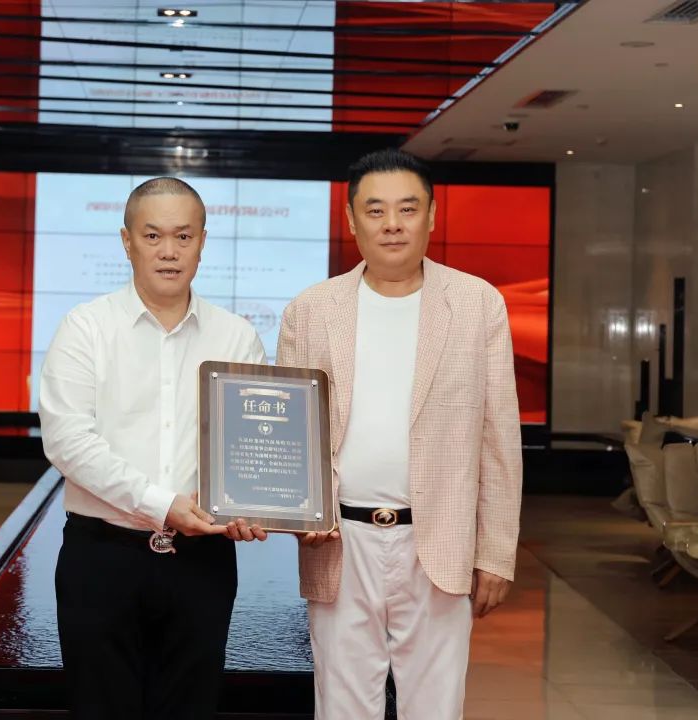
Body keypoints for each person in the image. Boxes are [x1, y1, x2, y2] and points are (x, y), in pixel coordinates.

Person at [276, 148, 522, 719]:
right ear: (351, 218)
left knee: (435, 708)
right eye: (376, 210)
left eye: (408, 209)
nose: (392, 224)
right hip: (339, 541)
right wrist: (295, 512)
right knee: (341, 706)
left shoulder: (477, 303)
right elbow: (291, 435)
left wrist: (496, 553)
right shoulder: (311, 309)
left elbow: (499, 440)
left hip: (438, 540)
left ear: (431, 216)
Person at [39, 177, 268, 720]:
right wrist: (162, 504)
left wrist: (253, 502)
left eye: (183, 236)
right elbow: (68, 441)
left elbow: (251, 447)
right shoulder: (86, 328)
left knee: (192, 707)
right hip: (102, 558)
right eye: (152, 236)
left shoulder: (236, 337)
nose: (169, 251)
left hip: (202, 563)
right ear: (127, 241)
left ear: (202, 242)